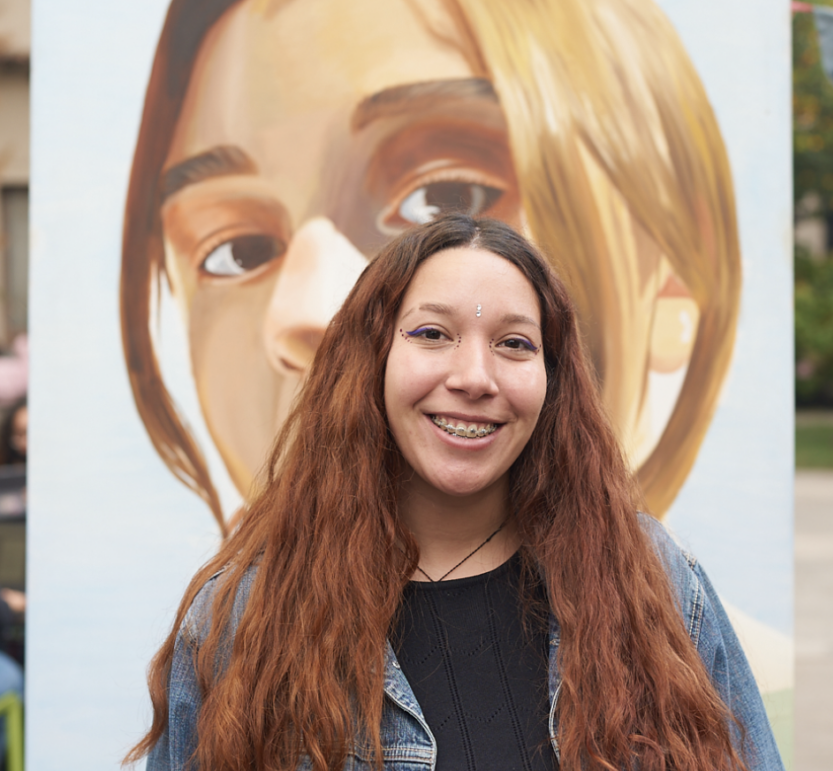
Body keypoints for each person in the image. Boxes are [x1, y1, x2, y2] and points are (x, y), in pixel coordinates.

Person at [128, 216, 782, 771]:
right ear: (370, 362)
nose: (475, 376)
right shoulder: (247, 614)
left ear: (553, 382)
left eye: (514, 344)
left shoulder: (656, 581)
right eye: (433, 333)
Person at [122, 0, 739, 535]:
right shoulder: (224, 631)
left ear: (675, 273)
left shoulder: (674, 619)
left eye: (445, 195)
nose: (307, 312)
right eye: (239, 249)